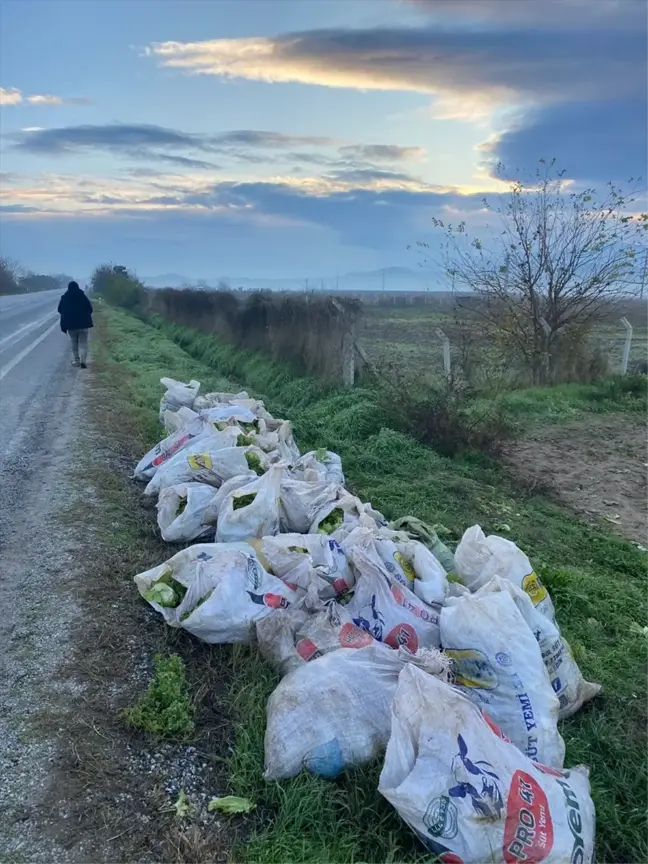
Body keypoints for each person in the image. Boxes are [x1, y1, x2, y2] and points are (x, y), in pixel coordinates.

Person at [58, 281, 93, 368]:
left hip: (71, 326)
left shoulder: (65, 297)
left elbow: (59, 310)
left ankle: (76, 361)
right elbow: (90, 309)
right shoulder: (83, 296)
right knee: (83, 343)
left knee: (74, 343)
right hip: (84, 325)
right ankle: (83, 361)